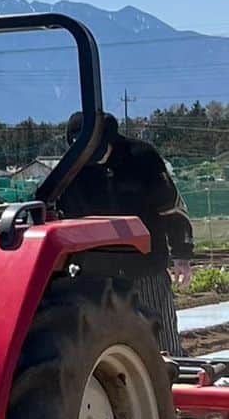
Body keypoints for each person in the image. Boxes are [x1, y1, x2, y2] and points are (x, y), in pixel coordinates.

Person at [58, 112, 192, 356]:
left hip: (145, 268)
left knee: (161, 344)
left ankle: (173, 383)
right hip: (96, 272)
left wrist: (182, 256)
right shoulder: (72, 169)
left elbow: (171, 210)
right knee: (103, 348)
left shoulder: (142, 159)